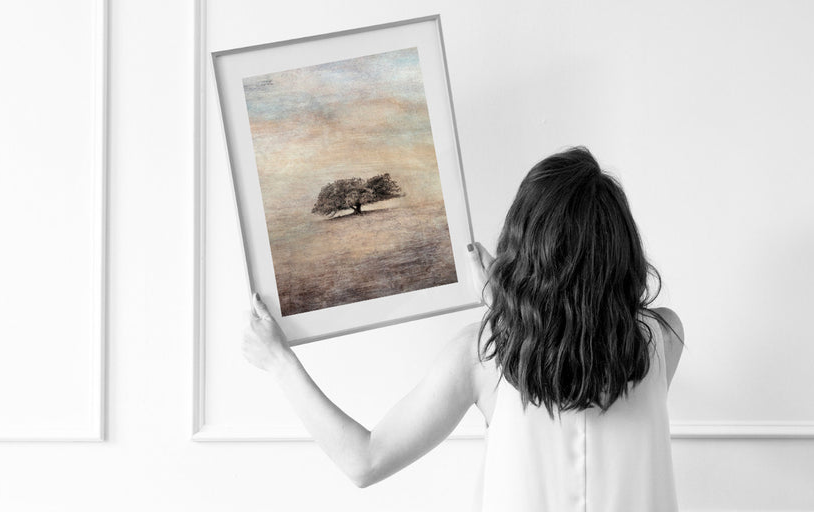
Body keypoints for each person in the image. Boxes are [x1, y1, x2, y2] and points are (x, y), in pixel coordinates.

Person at [241, 147, 685, 511]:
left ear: (523, 249)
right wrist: (502, 305)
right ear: (622, 249)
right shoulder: (665, 337)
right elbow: (580, 365)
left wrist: (279, 362)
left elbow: (364, 461)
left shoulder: (482, 358)